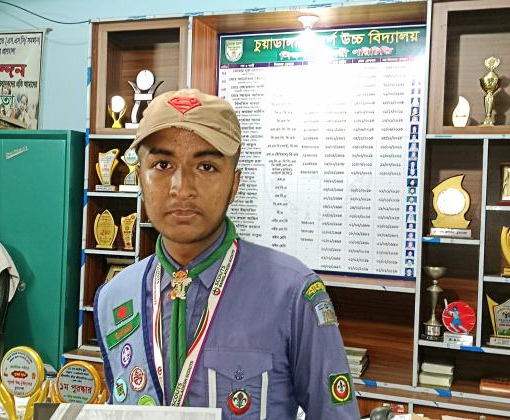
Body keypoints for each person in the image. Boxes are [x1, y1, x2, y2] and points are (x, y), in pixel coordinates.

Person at [94, 88, 359, 419]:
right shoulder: (115, 297)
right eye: (162, 164)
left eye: (206, 167)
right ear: (140, 179)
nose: (182, 188)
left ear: (234, 184)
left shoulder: (293, 294)